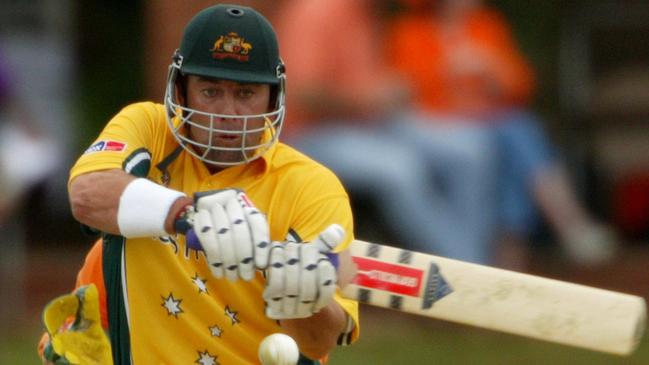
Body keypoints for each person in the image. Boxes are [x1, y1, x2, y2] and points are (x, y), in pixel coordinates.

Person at [37, 4, 358, 364]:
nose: (227, 113)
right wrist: (187, 215)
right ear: (181, 89)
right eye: (209, 91)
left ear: (273, 96)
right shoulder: (149, 128)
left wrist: (307, 300)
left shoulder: (311, 187)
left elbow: (321, 342)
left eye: (245, 93)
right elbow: (87, 194)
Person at [385, 0, 616, 268]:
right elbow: (409, 96)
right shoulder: (410, 30)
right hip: (443, 129)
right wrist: (451, 82)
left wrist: (490, 66)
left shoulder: (485, 24)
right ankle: (565, 226)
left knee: (514, 136)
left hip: (490, 124)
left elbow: (520, 85)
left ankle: (511, 261)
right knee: (516, 133)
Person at [274, 0, 498, 264]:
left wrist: (391, 89)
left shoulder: (368, 11)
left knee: (471, 149)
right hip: (314, 134)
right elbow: (299, 93)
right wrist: (366, 100)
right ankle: (463, 272)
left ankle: (475, 261)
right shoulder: (317, 11)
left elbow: (370, 84)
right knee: (401, 167)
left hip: (375, 124)